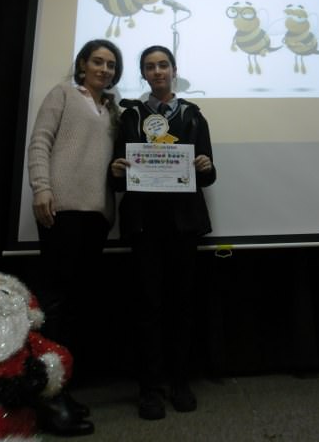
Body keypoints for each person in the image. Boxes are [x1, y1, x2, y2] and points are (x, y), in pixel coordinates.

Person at [110, 44, 216, 420]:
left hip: (183, 225)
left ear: (174, 70)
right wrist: (116, 170)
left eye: (163, 65)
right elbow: (119, 177)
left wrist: (204, 166)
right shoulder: (131, 116)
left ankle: (180, 382)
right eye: (150, 67)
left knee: (182, 305)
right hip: (145, 225)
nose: (157, 72)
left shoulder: (193, 115)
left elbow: (209, 175)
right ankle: (150, 387)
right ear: (143, 74)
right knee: (148, 306)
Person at [27, 38, 123, 435]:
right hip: (61, 210)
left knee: (78, 305)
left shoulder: (113, 110)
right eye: (97, 61)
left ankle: (61, 390)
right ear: (82, 64)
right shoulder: (63, 93)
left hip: (96, 215)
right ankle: (47, 400)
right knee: (55, 306)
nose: (104, 69)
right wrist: (41, 188)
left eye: (111, 65)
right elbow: (40, 141)